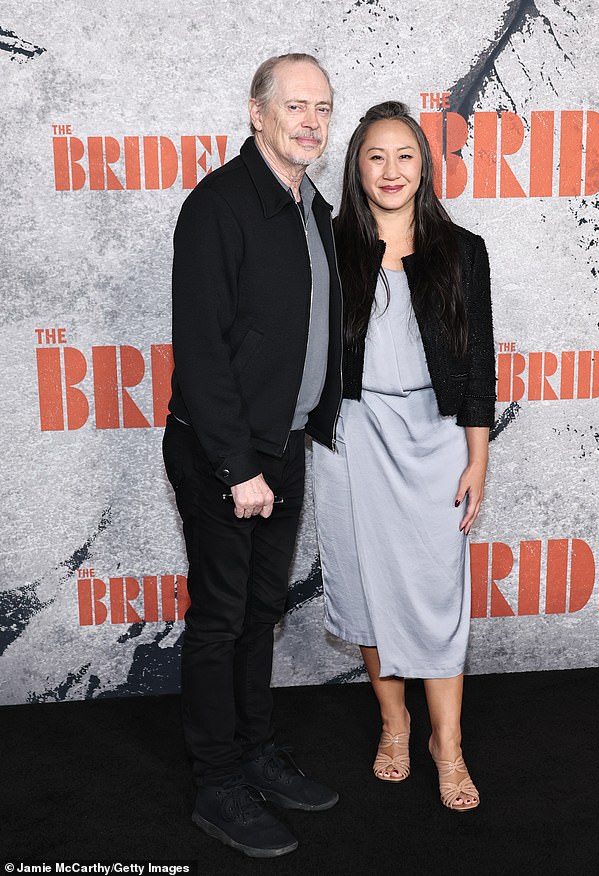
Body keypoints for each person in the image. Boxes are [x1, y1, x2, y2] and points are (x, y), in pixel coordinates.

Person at [162, 53, 342, 858]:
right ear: (256, 112)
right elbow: (201, 351)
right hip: (224, 453)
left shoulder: (311, 207)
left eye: (322, 108)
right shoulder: (218, 206)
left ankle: (255, 753)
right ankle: (217, 784)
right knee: (220, 620)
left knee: (259, 615)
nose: (311, 121)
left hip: (285, 443)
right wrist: (239, 469)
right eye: (295, 105)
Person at [312, 101, 496, 811]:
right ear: (356, 168)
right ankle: (395, 724)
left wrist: (477, 458)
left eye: (405, 155)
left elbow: (478, 363)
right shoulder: (327, 247)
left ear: (424, 165)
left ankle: (449, 745)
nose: (391, 170)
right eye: (375, 156)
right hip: (351, 435)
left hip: (435, 434)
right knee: (365, 583)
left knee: (436, 590)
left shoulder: (463, 250)